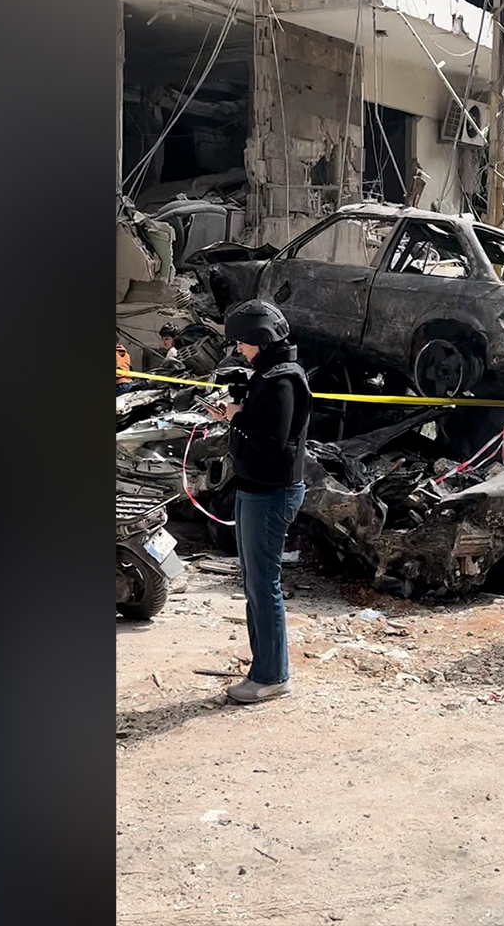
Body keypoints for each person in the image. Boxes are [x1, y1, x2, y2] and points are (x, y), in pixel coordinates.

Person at [204, 299, 311, 704]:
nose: (238, 350)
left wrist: (238, 417)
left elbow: (272, 440)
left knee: (264, 586)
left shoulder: (283, 379)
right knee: (253, 583)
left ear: (259, 339)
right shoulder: (269, 372)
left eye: (242, 343)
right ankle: (263, 668)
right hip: (256, 488)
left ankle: (272, 675)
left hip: (271, 492)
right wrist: (239, 409)